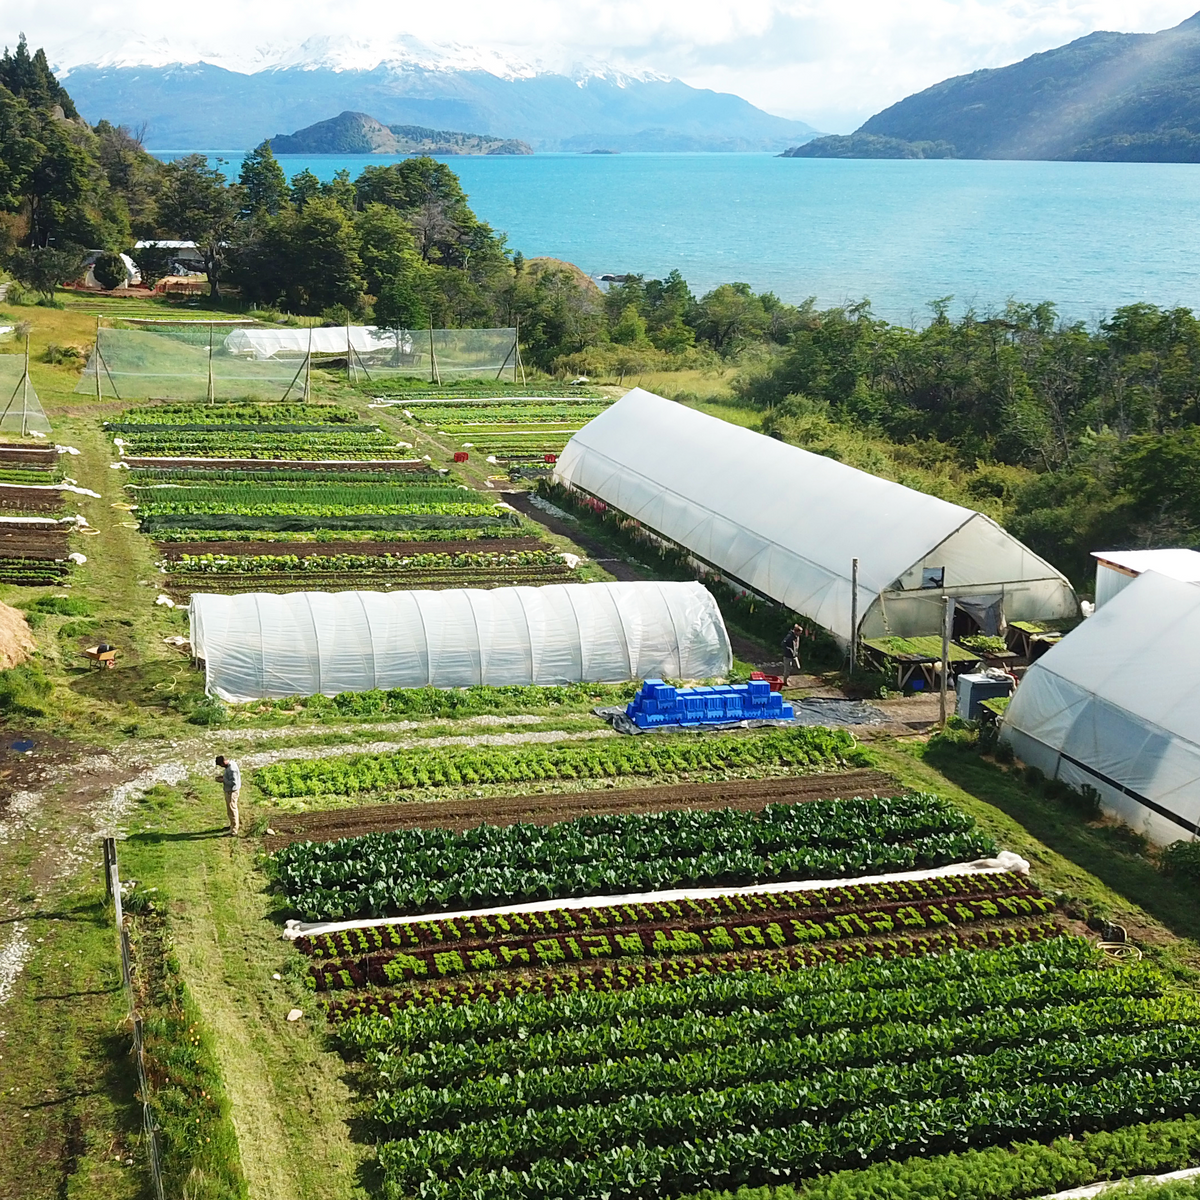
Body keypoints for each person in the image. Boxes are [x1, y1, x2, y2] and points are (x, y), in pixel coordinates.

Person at [216, 755, 241, 836]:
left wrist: (223, 780)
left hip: (232, 792)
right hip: (230, 791)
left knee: (232, 810)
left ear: (223, 762)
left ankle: (234, 830)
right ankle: (232, 825)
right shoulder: (231, 764)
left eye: (220, 765)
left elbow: (233, 783)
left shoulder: (232, 769)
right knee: (230, 810)